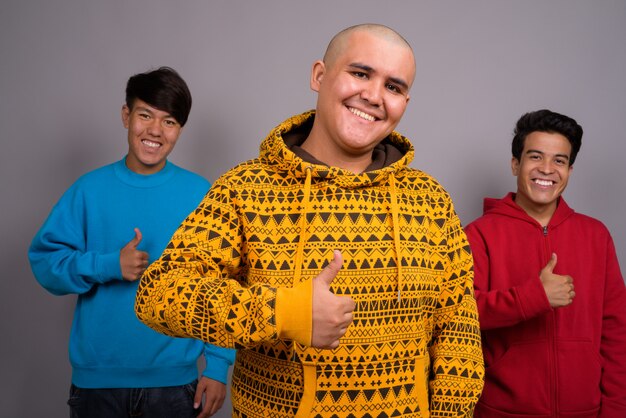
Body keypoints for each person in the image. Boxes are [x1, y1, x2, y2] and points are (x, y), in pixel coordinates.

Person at [136, 25, 484, 417]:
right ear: (319, 76)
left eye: (394, 87)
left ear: (405, 101)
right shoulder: (246, 188)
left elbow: (458, 328)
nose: (373, 96)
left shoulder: (430, 200)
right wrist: (285, 313)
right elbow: (159, 294)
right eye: (361, 73)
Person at [29, 67, 235, 418]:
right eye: (145, 115)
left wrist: (217, 367)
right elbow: (46, 264)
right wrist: (108, 265)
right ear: (126, 116)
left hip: (175, 387)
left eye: (169, 122)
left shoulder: (202, 195)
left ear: (180, 129)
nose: (155, 131)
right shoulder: (88, 191)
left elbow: (222, 285)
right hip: (98, 387)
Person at [464, 109, 626, 417]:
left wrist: (616, 410)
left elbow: (616, 333)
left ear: (570, 169)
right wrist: (533, 297)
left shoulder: (596, 235)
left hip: (586, 411)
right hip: (503, 410)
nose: (547, 169)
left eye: (559, 160)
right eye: (535, 157)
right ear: (516, 164)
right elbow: (460, 314)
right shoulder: (479, 234)